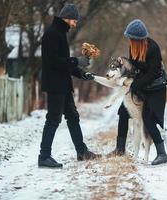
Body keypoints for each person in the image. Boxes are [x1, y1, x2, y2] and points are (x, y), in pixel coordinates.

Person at [38, 4, 99, 168]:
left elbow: (64, 64)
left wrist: (80, 73)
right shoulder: (52, 34)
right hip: (55, 85)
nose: (75, 24)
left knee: (72, 116)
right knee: (53, 119)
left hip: (63, 85)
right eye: (74, 20)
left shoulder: (60, 33)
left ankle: (82, 151)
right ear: (66, 18)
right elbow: (54, 63)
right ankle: (44, 156)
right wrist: (76, 60)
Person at [108, 19, 167, 165]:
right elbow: (134, 68)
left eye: (131, 38)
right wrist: (123, 75)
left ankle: (162, 154)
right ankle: (120, 149)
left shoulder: (153, 48)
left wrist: (135, 85)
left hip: (155, 89)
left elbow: (153, 73)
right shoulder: (133, 48)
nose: (129, 40)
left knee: (148, 119)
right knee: (123, 112)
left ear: (138, 39)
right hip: (141, 85)